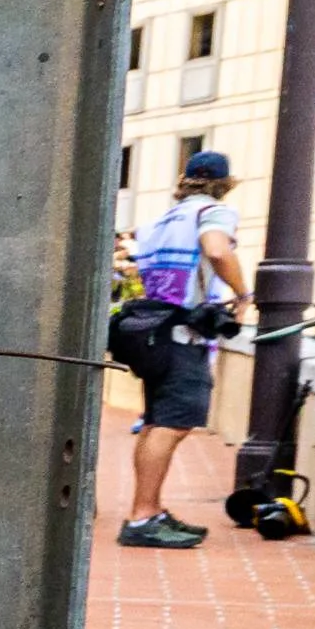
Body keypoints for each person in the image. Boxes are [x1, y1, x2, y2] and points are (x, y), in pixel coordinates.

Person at [114, 151, 249, 547]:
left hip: (152, 332)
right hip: (183, 336)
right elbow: (217, 250)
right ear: (224, 185)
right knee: (173, 424)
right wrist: (243, 293)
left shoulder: (160, 221)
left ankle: (149, 510)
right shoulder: (213, 212)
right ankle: (142, 517)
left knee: (156, 422)